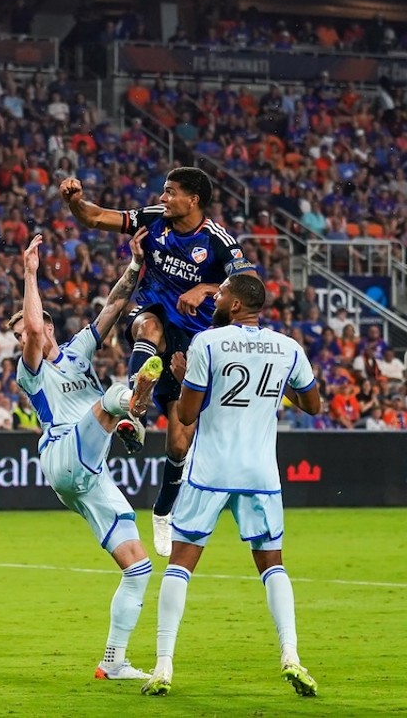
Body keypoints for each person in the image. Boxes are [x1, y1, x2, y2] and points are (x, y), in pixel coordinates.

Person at [142, 274, 322, 697]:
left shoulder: (208, 342)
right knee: (273, 565)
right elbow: (313, 404)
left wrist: (186, 378)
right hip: (260, 474)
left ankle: (163, 666)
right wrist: (278, 388)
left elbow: (186, 416)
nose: (215, 298)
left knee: (180, 565)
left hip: (212, 471)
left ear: (236, 305)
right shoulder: (287, 347)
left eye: (220, 293)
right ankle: (291, 656)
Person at [60, 166, 254, 556]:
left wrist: (208, 287)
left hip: (193, 342)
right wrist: (75, 202)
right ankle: (135, 407)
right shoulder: (153, 220)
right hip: (153, 313)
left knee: (180, 441)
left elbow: (252, 286)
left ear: (193, 199)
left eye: (170, 192)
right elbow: (97, 217)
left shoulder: (217, 242)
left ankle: (163, 511)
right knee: (148, 328)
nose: (162, 198)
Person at [12, 231, 162, 680]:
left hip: (90, 474)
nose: (25, 339)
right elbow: (35, 328)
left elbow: (114, 306)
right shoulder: (31, 372)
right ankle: (133, 412)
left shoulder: (78, 351)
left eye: (26, 331)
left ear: (51, 327)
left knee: (139, 567)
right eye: (20, 336)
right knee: (116, 394)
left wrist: (135, 265)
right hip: (62, 452)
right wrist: (30, 272)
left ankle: (113, 661)